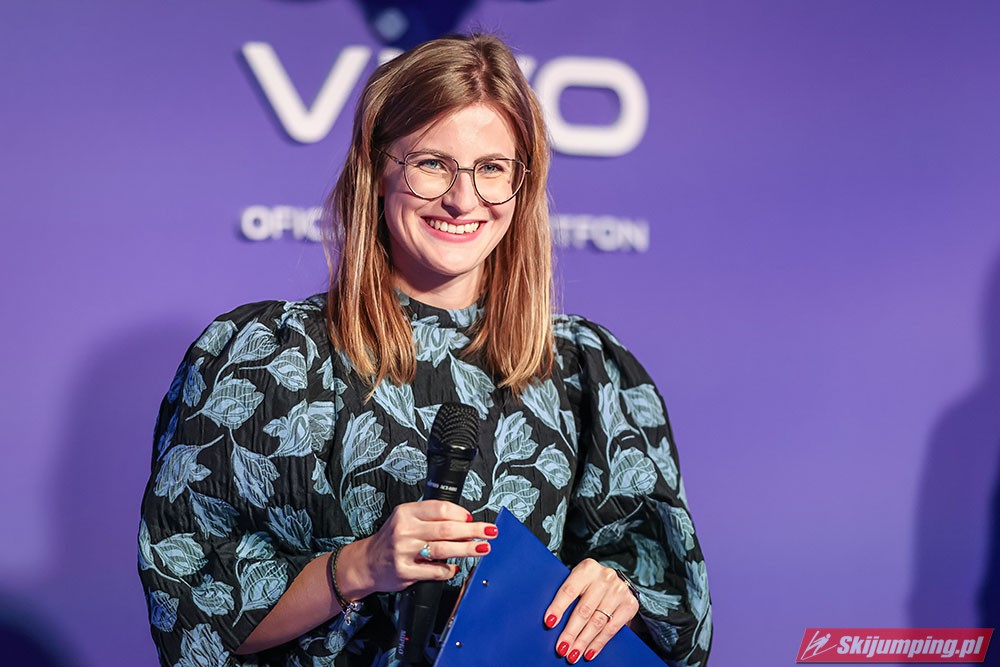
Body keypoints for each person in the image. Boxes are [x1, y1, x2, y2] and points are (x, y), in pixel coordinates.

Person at [138, 33, 712, 666]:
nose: (463, 200)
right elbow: (193, 613)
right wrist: (360, 566)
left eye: (492, 169)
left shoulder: (587, 373)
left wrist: (612, 592)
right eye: (433, 164)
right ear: (376, 169)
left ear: (523, 186)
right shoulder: (266, 360)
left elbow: (667, 601)